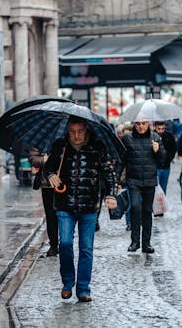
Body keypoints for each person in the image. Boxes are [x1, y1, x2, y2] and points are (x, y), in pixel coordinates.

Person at [44, 116, 118, 302]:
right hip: (64, 204)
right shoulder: (60, 146)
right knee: (66, 244)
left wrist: (111, 194)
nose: (76, 136)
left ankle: (83, 288)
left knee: (86, 249)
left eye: (80, 132)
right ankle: (68, 282)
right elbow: (48, 167)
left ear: (86, 130)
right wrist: (51, 174)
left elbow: (109, 173)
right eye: (72, 132)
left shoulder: (97, 147)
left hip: (89, 206)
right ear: (68, 131)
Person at [120, 121, 166, 253]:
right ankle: (135, 242)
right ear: (134, 124)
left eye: (144, 124)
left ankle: (146, 243)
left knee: (147, 211)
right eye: (138, 124)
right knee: (135, 207)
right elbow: (122, 159)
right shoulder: (127, 138)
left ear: (148, 124)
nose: (141, 126)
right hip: (133, 180)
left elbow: (162, 159)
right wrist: (117, 180)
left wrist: (158, 151)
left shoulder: (155, 137)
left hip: (149, 180)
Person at [29, 147, 59, 257]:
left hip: (66, 184)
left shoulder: (69, 136)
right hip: (47, 185)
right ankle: (54, 245)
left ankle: (66, 243)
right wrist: (45, 159)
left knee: (66, 215)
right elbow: (33, 159)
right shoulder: (42, 140)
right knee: (51, 216)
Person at [154, 121, 177, 195]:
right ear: (155, 127)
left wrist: (169, 159)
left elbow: (173, 149)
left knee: (163, 189)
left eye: (162, 129)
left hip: (166, 166)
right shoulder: (151, 136)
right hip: (155, 167)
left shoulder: (169, 136)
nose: (161, 131)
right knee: (155, 189)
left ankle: (162, 205)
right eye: (159, 129)